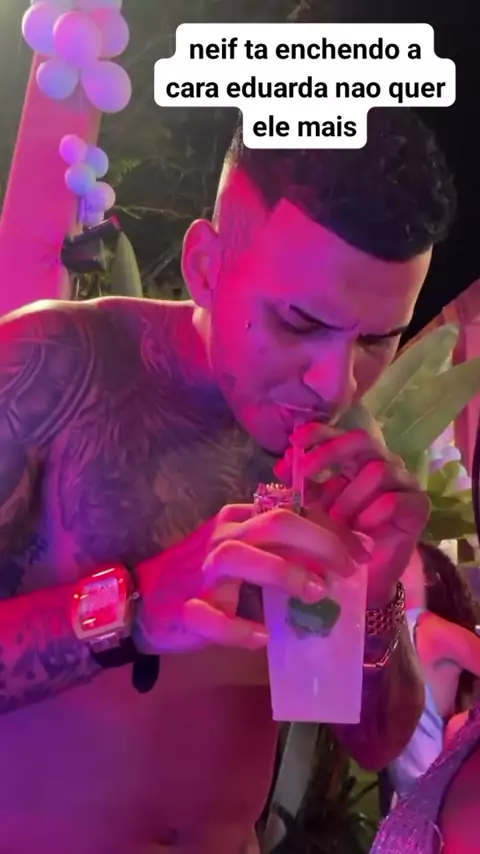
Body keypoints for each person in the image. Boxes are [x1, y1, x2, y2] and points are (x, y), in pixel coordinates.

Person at [0, 107, 454, 854]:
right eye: (301, 322)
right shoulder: (48, 368)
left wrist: (377, 602)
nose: (335, 383)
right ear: (206, 267)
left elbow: (376, 743)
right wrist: (138, 604)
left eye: (376, 339)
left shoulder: (343, 441)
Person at [387, 542, 480, 801]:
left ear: (428, 578)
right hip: (416, 794)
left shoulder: (435, 631)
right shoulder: (387, 632)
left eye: (404, 558)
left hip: (438, 792)